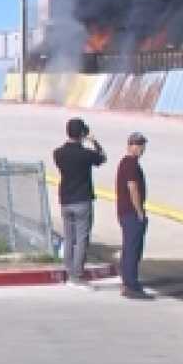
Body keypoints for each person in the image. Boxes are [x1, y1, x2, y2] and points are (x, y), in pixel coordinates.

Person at [52, 117, 107, 289]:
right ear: (82, 133)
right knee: (82, 239)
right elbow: (102, 158)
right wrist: (94, 141)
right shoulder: (85, 154)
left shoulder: (58, 153)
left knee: (69, 238)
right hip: (82, 199)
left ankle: (68, 271)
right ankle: (76, 275)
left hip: (66, 199)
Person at [115, 132, 153, 300]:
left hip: (125, 212)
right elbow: (133, 188)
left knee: (129, 248)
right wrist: (139, 211)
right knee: (132, 249)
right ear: (131, 146)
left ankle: (127, 282)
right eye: (139, 145)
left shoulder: (126, 163)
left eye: (142, 145)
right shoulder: (130, 164)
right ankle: (131, 285)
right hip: (131, 213)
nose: (142, 149)